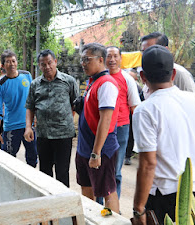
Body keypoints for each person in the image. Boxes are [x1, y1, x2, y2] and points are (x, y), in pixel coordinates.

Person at [131, 45, 195, 224]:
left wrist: (138, 209)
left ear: (143, 77)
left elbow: (147, 164)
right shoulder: (194, 100)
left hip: (168, 198)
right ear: (174, 74)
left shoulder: (145, 110)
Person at [75, 43, 120, 213]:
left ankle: (113, 222)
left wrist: (96, 153)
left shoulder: (106, 84)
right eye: (82, 59)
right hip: (85, 147)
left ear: (101, 60)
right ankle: (91, 219)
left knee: (108, 192)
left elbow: (105, 120)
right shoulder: (93, 82)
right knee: (86, 189)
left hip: (101, 149)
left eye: (87, 59)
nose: (83, 63)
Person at [24, 49, 79, 186]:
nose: (47, 67)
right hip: (43, 135)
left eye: (49, 63)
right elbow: (30, 107)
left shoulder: (69, 81)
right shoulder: (35, 84)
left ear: (55, 62)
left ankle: (63, 203)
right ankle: (46, 202)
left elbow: (75, 105)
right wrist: (28, 127)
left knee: (62, 172)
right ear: (39, 66)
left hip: (63, 135)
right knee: (44, 172)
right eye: (43, 64)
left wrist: (66, 119)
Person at [105, 46, 141, 201]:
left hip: (121, 128)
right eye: (109, 56)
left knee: (116, 171)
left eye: (115, 56)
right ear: (104, 59)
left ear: (120, 59)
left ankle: (114, 206)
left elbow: (135, 107)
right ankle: (100, 204)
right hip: (101, 128)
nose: (112, 59)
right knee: (100, 169)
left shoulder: (127, 79)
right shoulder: (99, 77)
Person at [0, 50, 37, 167]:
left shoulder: (27, 75)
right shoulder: (0, 84)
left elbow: (33, 99)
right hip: (11, 127)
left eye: (13, 61)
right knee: (7, 160)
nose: (11, 64)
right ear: (3, 66)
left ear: (17, 62)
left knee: (32, 158)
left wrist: (36, 118)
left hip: (28, 125)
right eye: (8, 62)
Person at [140, 32, 195, 99]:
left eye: (150, 50)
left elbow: (192, 102)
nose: (145, 55)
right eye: (143, 51)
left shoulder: (181, 74)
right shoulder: (147, 73)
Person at [124, 68, 143, 166]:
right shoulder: (122, 85)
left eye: (131, 77)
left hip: (132, 115)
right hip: (122, 115)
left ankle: (128, 156)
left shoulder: (139, 89)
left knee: (130, 136)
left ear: (135, 79)